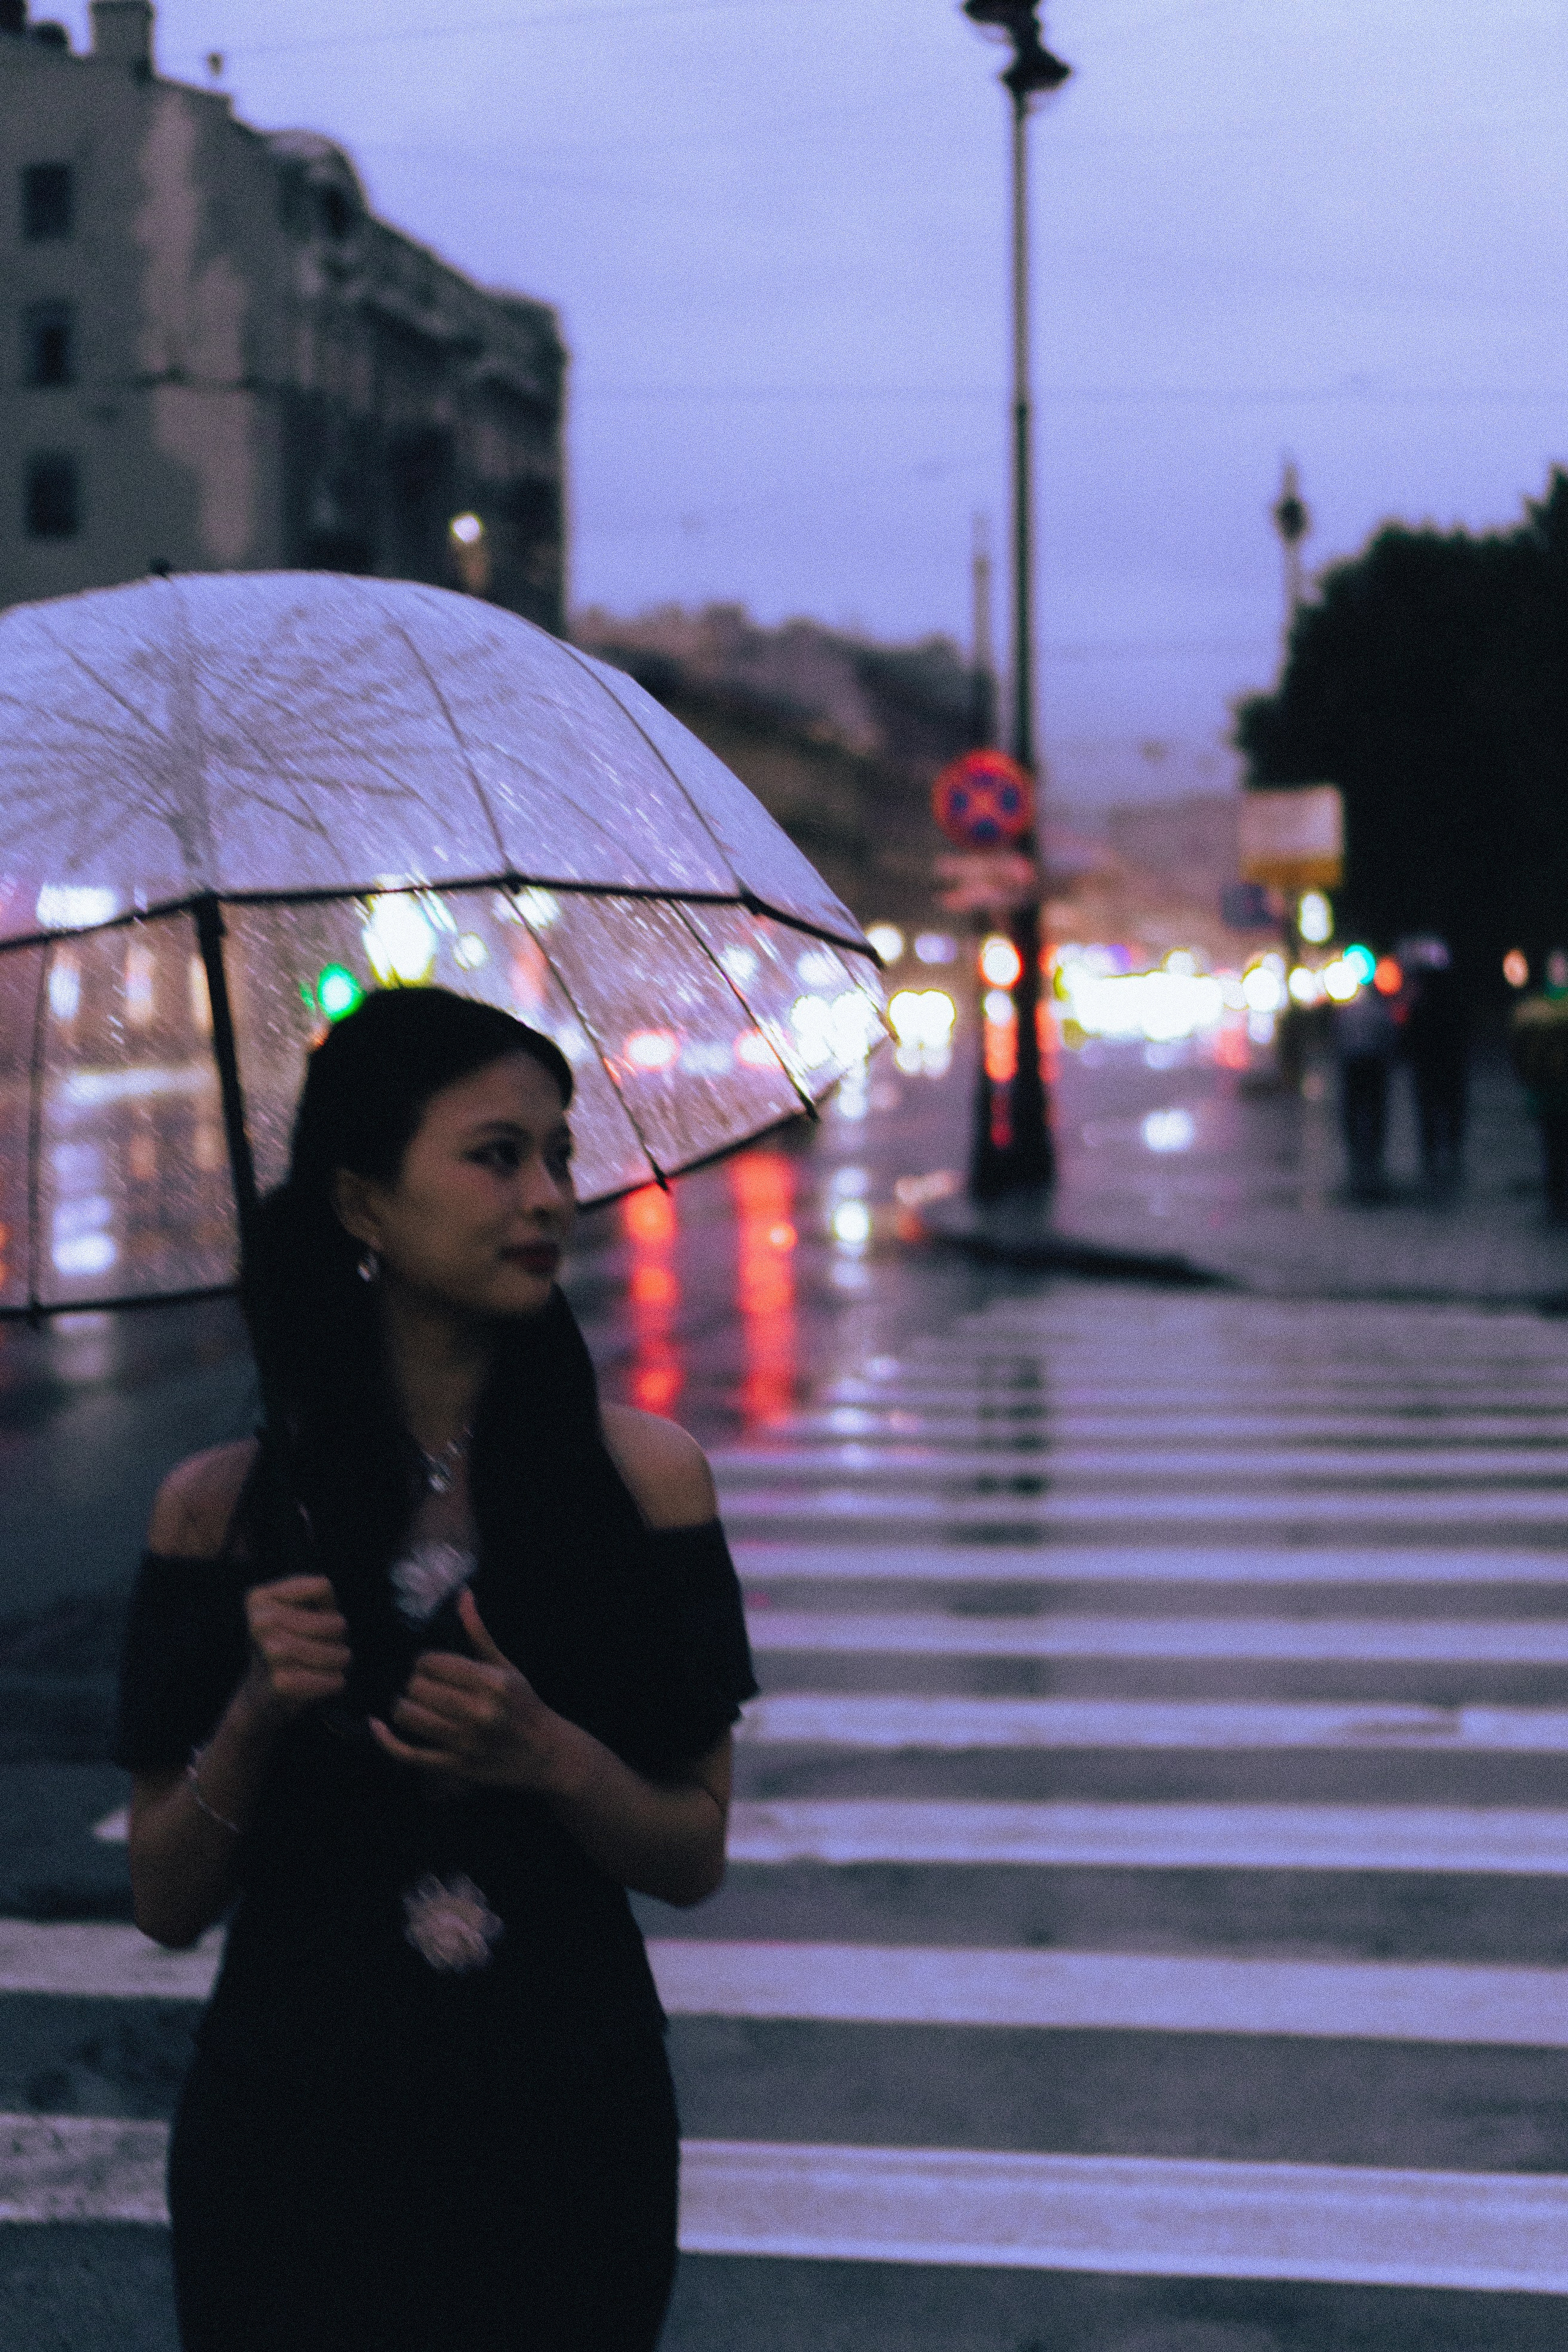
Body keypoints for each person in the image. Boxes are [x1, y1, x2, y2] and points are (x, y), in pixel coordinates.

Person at [116, 987, 757, 2352]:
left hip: (563, 2122)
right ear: (361, 1204)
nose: (548, 1196)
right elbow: (166, 1896)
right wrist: (252, 1710)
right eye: (494, 1154)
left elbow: (690, 1851)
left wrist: (549, 1755)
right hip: (295, 2130)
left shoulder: (643, 1483)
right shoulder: (221, 1513)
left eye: (558, 1154)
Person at [1396, 937, 1469, 1191]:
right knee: (1450, 1113)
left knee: (1429, 1114)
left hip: (1429, 1069)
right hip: (1449, 1067)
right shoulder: (1454, 1003)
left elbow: (1410, 1037)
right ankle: (1449, 1156)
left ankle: (1433, 1159)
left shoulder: (1421, 1004)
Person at [1333, 965, 1401, 1200]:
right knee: (1375, 1110)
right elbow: (1390, 1039)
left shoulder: (1349, 1012)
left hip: (1354, 1066)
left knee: (1354, 1110)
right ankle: (1372, 1151)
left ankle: (1357, 1152)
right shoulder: (1381, 1012)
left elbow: (1339, 1040)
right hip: (1374, 1066)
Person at [1510, 949, 1568, 1222]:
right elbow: (1521, 1051)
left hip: (1550, 1088)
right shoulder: (1533, 1009)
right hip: (1549, 1090)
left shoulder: (1532, 1010)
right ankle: (1556, 1195)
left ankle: (1557, 1196)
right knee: (1553, 1144)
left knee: (1554, 1144)